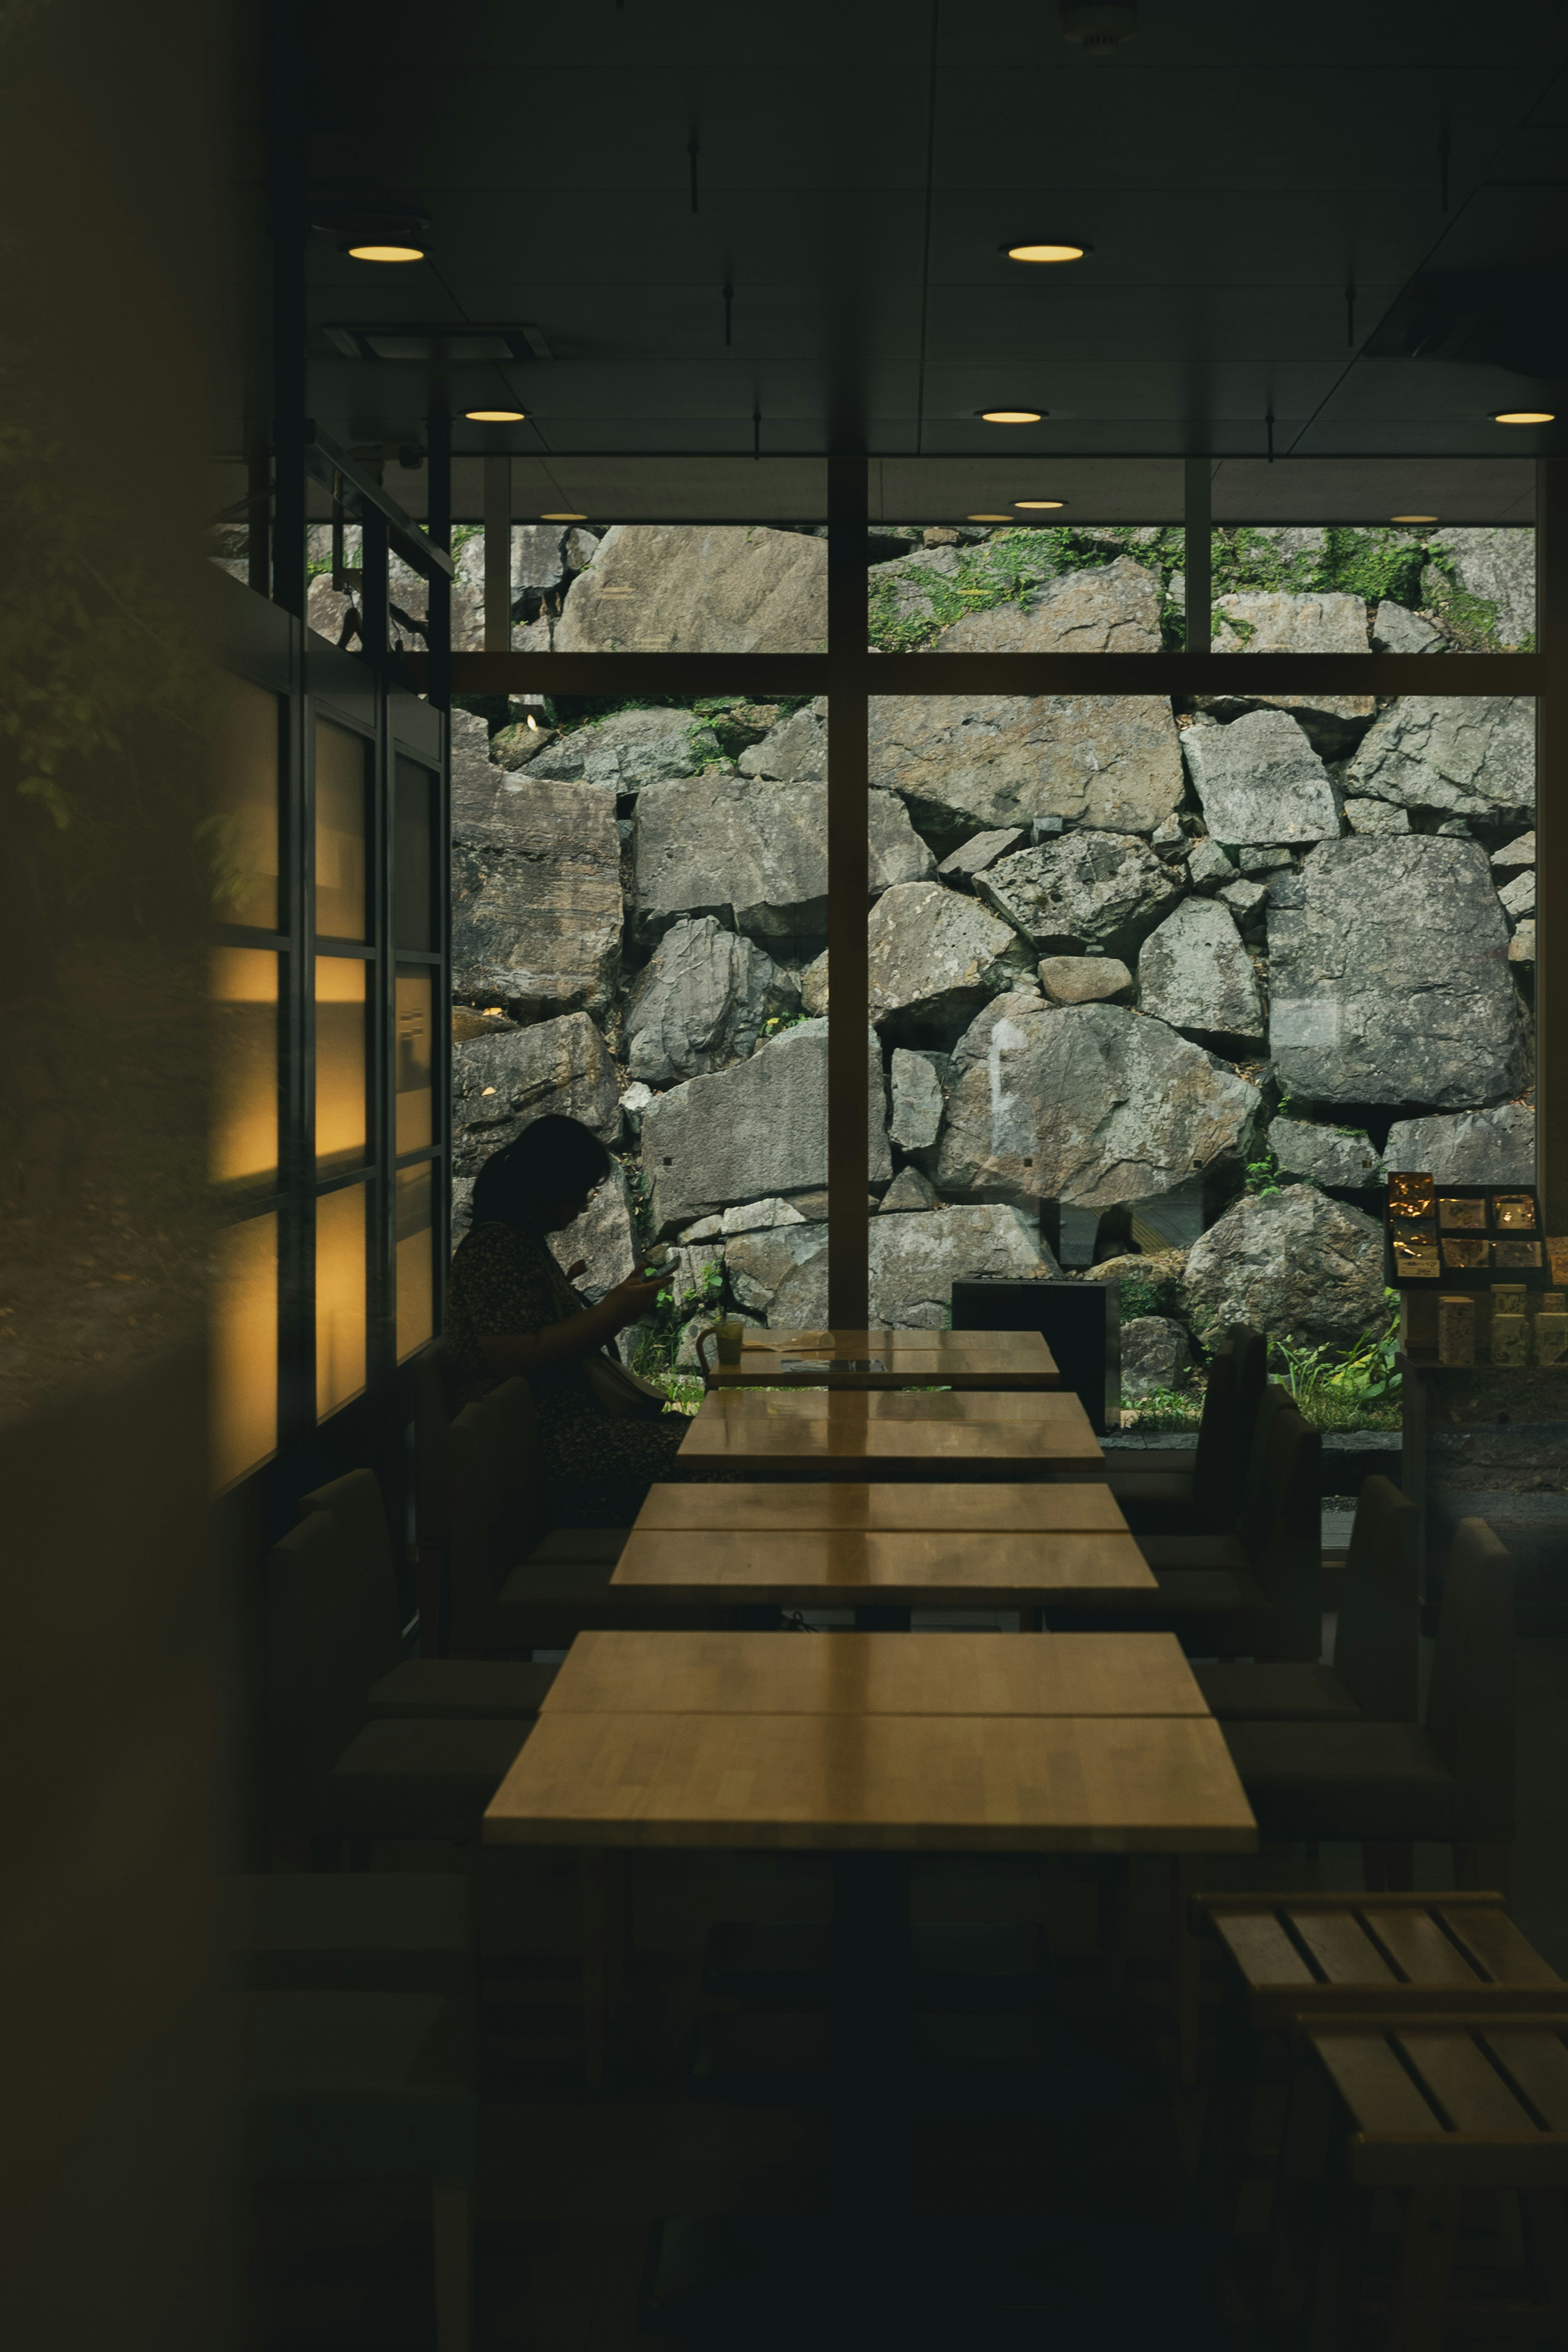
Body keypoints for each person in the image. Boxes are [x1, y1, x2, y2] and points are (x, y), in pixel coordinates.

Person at [446, 1113, 691, 1521]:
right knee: (714, 1457)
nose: (583, 1204)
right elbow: (514, 1356)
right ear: (551, 1186)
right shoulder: (495, 1248)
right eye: (583, 1191)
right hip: (543, 1442)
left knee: (705, 1441)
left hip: (557, 1428)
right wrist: (612, 1310)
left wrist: (617, 1310)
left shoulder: (516, 1242)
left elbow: (543, 1339)